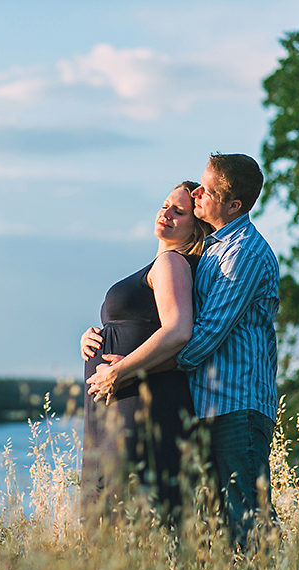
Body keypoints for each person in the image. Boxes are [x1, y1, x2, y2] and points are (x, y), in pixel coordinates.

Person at [90, 153, 280, 551]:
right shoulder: (211, 250)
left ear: (234, 206)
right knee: (211, 526)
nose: (196, 193)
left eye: (205, 191)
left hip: (236, 405)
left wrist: (127, 369)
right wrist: (104, 338)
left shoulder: (243, 252)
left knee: (246, 519)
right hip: (203, 405)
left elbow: (201, 338)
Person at [80, 181, 212, 527]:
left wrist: (118, 371)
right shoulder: (164, 264)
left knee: (125, 505)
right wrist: (95, 336)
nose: (165, 213)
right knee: (119, 503)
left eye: (178, 211)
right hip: (122, 401)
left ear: (195, 226)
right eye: (165, 204)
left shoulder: (171, 262)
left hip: (135, 402)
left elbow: (179, 330)